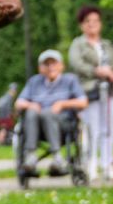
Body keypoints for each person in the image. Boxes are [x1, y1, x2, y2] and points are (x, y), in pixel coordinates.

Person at [13, 51, 87, 188]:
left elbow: (83, 102)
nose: (50, 67)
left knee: (47, 113)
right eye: (46, 64)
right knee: (31, 113)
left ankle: (57, 157)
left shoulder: (70, 80)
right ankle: (30, 157)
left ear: (61, 66)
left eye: (53, 63)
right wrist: (31, 105)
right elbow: (19, 103)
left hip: (63, 125)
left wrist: (62, 104)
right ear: (40, 68)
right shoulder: (34, 82)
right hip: (36, 127)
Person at [67, 7, 113, 185]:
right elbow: (77, 63)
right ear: (82, 25)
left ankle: (108, 164)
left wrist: (111, 71)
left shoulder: (106, 45)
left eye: (95, 21)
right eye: (88, 21)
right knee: (92, 130)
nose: (92, 25)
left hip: (109, 91)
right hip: (89, 91)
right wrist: (97, 71)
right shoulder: (78, 44)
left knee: (108, 129)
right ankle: (91, 165)